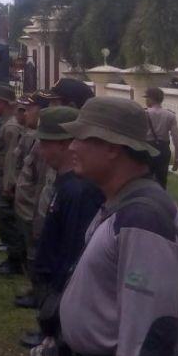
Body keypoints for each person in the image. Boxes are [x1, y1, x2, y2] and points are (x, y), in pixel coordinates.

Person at [59, 97, 178, 356]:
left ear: (113, 147)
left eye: (82, 138)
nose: (72, 147)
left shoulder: (142, 218)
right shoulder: (123, 202)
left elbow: (149, 327)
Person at [31, 106, 103, 332]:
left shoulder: (79, 191)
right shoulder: (66, 184)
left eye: (45, 144)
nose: (41, 151)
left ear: (63, 144)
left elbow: (75, 250)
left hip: (64, 288)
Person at [12, 92, 51, 313]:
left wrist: (37, 213)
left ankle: (39, 294)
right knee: (31, 251)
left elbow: (43, 183)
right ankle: (34, 289)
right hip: (27, 206)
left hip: (34, 209)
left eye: (30, 108)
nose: (25, 112)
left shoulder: (42, 141)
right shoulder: (34, 136)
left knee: (36, 253)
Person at [0, 84, 24, 276]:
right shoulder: (3, 120)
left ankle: (15, 261)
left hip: (5, 178)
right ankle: (12, 257)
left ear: (6, 102)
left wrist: (9, 184)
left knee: (8, 220)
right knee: (4, 219)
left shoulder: (11, 126)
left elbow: (12, 157)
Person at [144, 87, 178, 188]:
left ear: (151, 99)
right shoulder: (170, 115)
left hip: (147, 148)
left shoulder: (144, 113)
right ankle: (160, 200)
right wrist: (177, 156)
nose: (146, 100)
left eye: (146, 98)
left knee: (145, 179)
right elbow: (176, 139)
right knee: (161, 180)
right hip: (163, 149)